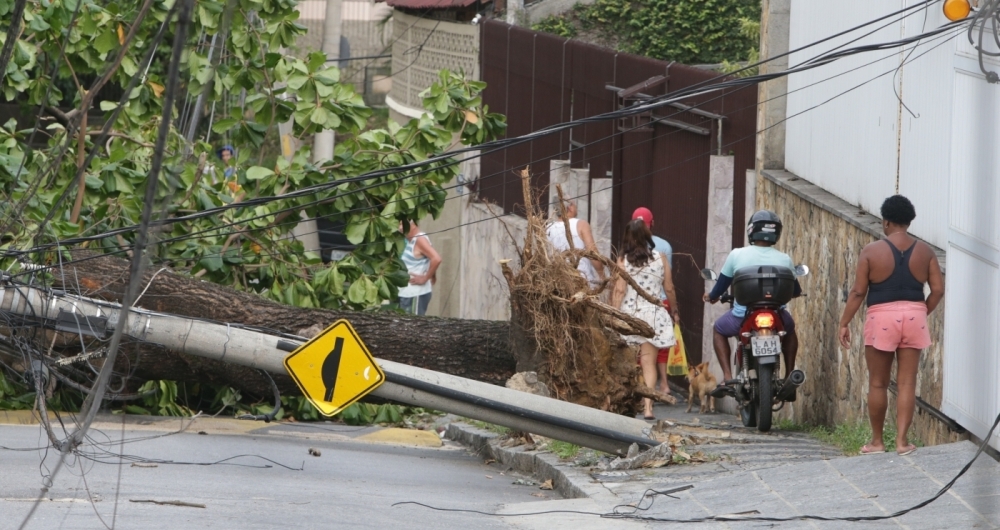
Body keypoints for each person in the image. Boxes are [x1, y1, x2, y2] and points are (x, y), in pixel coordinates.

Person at [838, 195, 943, 456]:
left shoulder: (871, 252)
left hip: (881, 317)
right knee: (907, 384)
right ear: (909, 221)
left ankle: (877, 442)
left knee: (878, 383)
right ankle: (902, 442)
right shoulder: (926, 251)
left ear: (885, 222)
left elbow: (858, 292)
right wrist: (922, 311)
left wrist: (844, 322)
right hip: (915, 316)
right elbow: (938, 290)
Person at [704, 210, 801, 399]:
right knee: (790, 331)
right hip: (777, 316)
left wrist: (712, 296)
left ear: (751, 230)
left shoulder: (737, 255)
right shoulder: (785, 259)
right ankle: (789, 375)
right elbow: (795, 291)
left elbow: (721, 286)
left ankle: (727, 377)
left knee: (718, 329)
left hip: (742, 316)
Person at [611, 219, 678, 420]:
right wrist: (674, 310)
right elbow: (669, 288)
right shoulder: (661, 258)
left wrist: (613, 314)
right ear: (647, 237)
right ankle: (648, 408)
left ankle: (627, 404)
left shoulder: (623, 261)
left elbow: (620, 289)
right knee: (649, 363)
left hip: (630, 316)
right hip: (652, 315)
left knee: (628, 363)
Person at [632, 207, 678, 395]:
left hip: (635, 304)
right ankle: (664, 384)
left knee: (637, 345)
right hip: (661, 302)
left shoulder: (628, 247)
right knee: (661, 344)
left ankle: (639, 383)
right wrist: (675, 310)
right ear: (653, 224)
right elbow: (668, 283)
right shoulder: (664, 247)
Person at [546, 199, 604, 288]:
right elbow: (592, 252)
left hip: (558, 283)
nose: (576, 207)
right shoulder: (581, 224)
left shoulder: (548, 228)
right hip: (582, 281)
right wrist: (601, 274)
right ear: (570, 207)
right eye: (575, 205)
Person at [398, 221, 442, 316]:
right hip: (406, 294)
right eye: (399, 224)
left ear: (413, 224)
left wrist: (425, 278)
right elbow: (428, 258)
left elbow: (436, 258)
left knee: (412, 327)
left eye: (402, 224)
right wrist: (432, 274)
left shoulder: (419, 239)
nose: (400, 228)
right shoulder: (409, 240)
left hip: (415, 294)